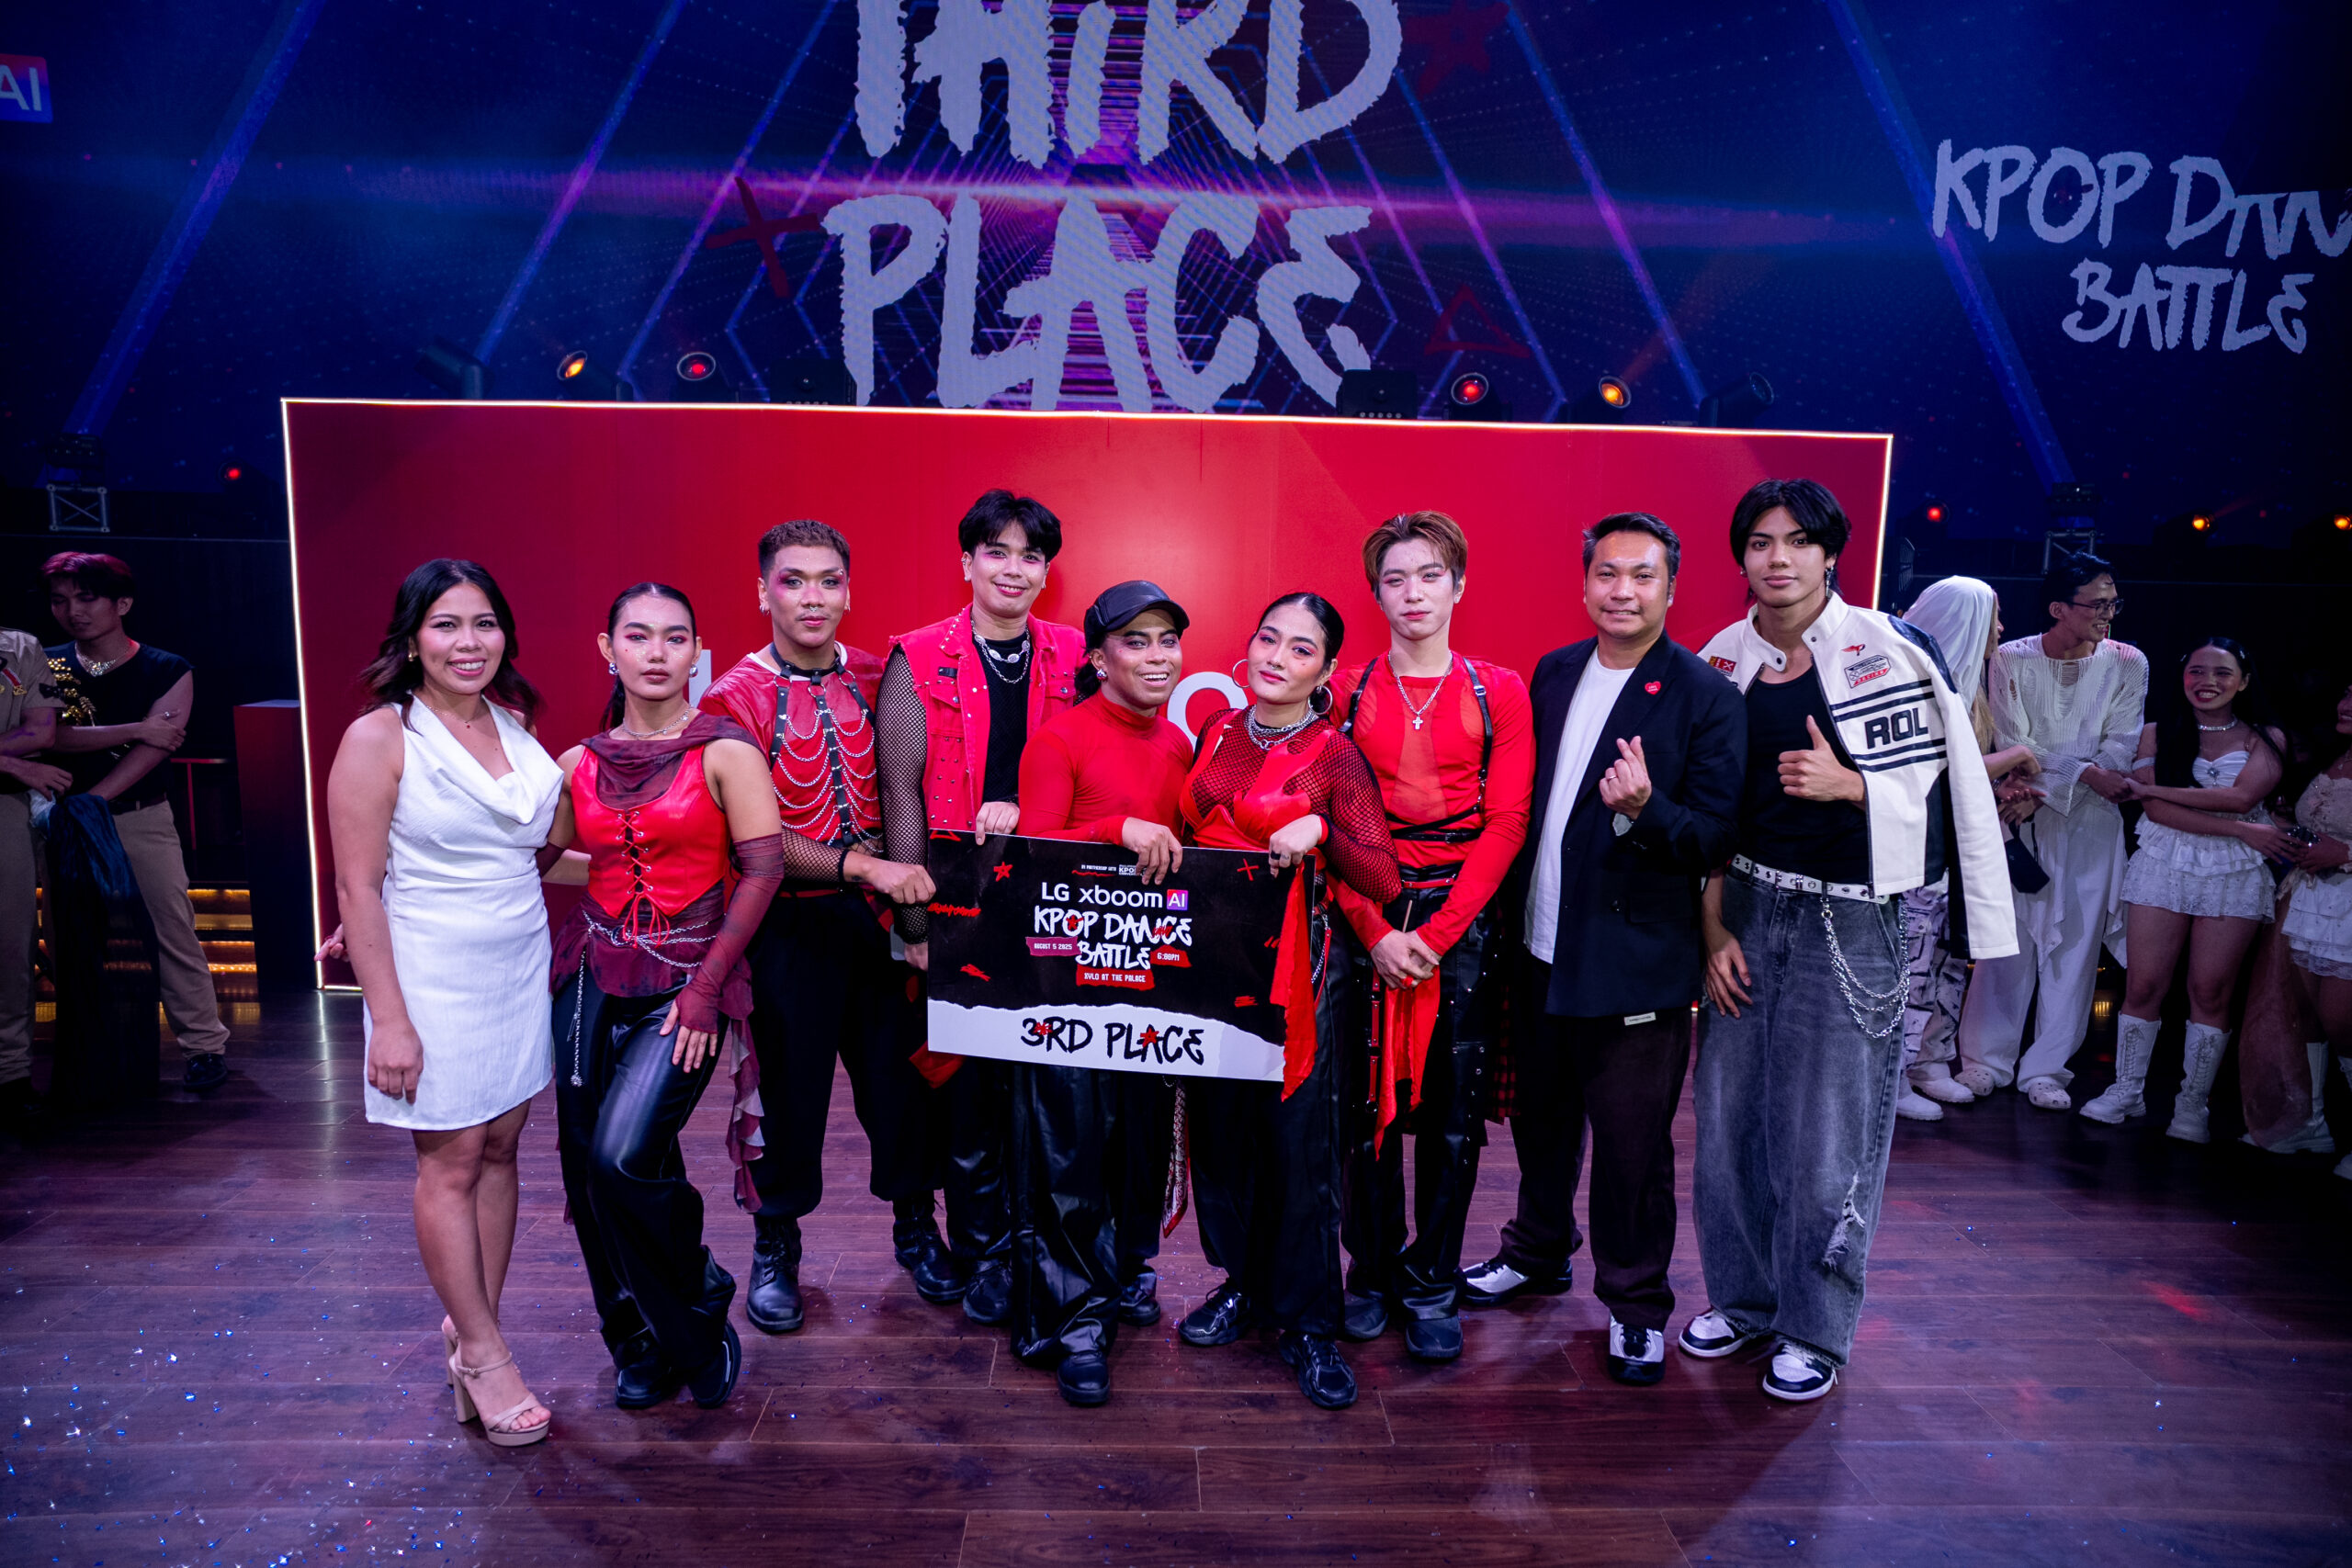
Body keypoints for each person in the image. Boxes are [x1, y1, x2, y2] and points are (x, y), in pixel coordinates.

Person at [1688, 479, 2014, 1401]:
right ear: (1741, 554)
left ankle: (1813, 1329)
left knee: (1829, 1135)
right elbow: (1706, 814)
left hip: (1851, 918)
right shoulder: (1720, 659)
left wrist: (1856, 786)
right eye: (1760, 541)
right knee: (1728, 1124)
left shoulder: (1890, 650)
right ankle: (1743, 1301)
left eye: (1797, 540)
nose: (1778, 558)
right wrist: (1709, 926)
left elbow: (1952, 792)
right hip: (1746, 908)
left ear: (1830, 553)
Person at [1457, 513, 1741, 1386]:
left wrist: (1648, 809)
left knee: (1632, 1148)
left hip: (1635, 962)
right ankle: (1537, 1249)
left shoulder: (1705, 695)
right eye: (1607, 574)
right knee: (1540, 1124)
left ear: (1671, 588)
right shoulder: (1552, 672)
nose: (1622, 590)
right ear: (1584, 584)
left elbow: (1715, 837)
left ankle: (1637, 1303)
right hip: (1540, 947)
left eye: (1642, 575)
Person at [326, 559, 564, 1447]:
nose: (469, 642)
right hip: (432, 969)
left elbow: (526, 850)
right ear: (412, 638)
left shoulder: (514, 723)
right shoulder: (379, 735)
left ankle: (472, 1333)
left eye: (485, 623)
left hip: (516, 958)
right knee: (452, 1159)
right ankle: (488, 1355)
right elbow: (357, 885)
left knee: (502, 1146)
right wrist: (389, 1017)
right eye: (447, 624)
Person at [543, 583, 785, 1414]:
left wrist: (708, 988)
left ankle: (698, 1304)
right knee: (587, 1169)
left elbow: (763, 870)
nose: (656, 653)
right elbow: (523, 858)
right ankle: (635, 1339)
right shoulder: (574, 764)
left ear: (697, 652)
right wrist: (384, 907)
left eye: (675, 638)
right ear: (606, 649)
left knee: (623, 1156)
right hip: (589, 975)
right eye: (638, 636)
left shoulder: (726, 751)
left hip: (688, 979)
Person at [699, 521, 940, 1337]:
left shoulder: (881, 674)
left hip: (881, 919)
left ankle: (917, 1225)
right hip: (784, 921)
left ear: (848, 590)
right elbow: (753, 834)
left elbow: (910, 792)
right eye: (793, 580)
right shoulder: (732, 696)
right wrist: (864, 866)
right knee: (787, 1091)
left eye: (829, 580)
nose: (813, 597)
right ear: (762, 590)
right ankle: (776, 1245)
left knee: (902, 1081)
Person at [1177, 592, 1401, 1411]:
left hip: (1299, 977)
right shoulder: (1216, 731)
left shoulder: (1334, 755)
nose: (1277, 657)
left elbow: (1382, 876)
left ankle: (1309, 1322)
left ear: (1326, 669)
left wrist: (1323, 833)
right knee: (1222, 1137)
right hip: (1212, 962)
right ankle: (1243, 1283)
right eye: (1268, 638)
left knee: (1300, 1148)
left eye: (1300, 648)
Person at [1326, 512, 1533, 1363]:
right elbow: (1330, 820)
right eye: (1395, 579)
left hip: (1465, 920)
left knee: (1453, 1114)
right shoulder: (1343, 690)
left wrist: (1441, 934)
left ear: (1459, 585)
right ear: (1376, 594)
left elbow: (1507, 820)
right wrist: (1375, 929)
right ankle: (1370, 1271)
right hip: (1364, 908)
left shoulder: (1499, 688)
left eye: (1430, 575)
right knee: (1361, 1108)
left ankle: (1434, 1281)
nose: (1413, 593)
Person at [881, 490, 1086, 1325]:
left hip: (1047, 897)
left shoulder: (1075, 652)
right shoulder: (916, 655)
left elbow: (1102, 760)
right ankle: (984, 1251)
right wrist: (914, 922)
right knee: (964, 1089)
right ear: (966, 560)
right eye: (996, 551)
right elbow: (900, 795)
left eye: (1031, 555)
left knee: (1041, 1086)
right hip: (951, 898)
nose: (1014, 568)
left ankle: (1044, 1246)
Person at [1008, 580, 1195, 1405]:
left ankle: (1125, 1268)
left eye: (1167, 640)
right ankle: (1076, 1319)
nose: (1157, 657)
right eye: (1135, 641)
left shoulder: (1182, 743)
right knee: (1070, 1150)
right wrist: (1114, 829)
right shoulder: (1059, 739)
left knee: (1140, 1141)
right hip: (1068, 984)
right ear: (1097, 657)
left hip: (1153, 977)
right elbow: (1033, 855)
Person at [1951, 551, 2146, 1111]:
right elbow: (2015, 740)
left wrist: (2064, 782)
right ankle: (1984, 1061)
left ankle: (2047, 1070)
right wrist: (2075, 775)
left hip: (2086, 819)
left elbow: (2120, 748)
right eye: (2097, 604)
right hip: (2021, 809)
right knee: (2006, 943)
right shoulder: (2011, 657)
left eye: (2113, 603)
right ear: (2059, 608)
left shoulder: (2128, 661)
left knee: (2076, 949)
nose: (2107, 614)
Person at [2079, 640, 2288, 1137]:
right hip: (2164, 859)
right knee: (2144, 985)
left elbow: (2241, 798)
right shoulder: (2156, 732)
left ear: (2244, 681)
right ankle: (2127, 1091)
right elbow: (2157, 812)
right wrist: (2241, 830)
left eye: (2222, 672)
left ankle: (2193, 1104)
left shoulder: (2266, 736)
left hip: (2234, 870)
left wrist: (2150, 787)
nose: (2207, 681)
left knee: (2210, 990)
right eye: (2196, 671)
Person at [42, 552, 233, 1092]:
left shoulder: (167, 668)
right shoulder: (46, 665)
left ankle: (203, 1046)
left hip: (137, 815)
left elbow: (159, 745)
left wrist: (91, 802)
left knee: (171, 929)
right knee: (66, 935)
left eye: (86, 598)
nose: (73, 611)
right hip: (60, 820)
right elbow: (49, 736)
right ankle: (94, 1045)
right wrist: (134, 728)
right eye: (60, 601)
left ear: (122, 603)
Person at [1891, 577, 2042, 1122]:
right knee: (1913, 960)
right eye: (1994, 616)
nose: (2001, 627)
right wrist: (2017, 756)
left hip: (1961, 849)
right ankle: (1894, 1074)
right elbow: (1944, 769)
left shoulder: (1970, 689)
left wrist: (2002, 789)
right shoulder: (1914, 686)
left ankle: (1930, 1061)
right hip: (1918, 850)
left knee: (1951, 956)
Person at [2262, 682, 2352, 1175]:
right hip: (2312, 896)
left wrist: (2345, 853)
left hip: (2349, 900)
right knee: (2307, 1016)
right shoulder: (2333, 755)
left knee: (2343, 1023)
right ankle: (2311, 1123)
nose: (2346, 705)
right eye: (2347, 693)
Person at [0, 623, 65, 1134]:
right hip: (13, 783)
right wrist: (14, 765)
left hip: (6, 812)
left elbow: (41, 732)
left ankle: (11, 1076)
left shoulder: (20, 647)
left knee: (11, 948)